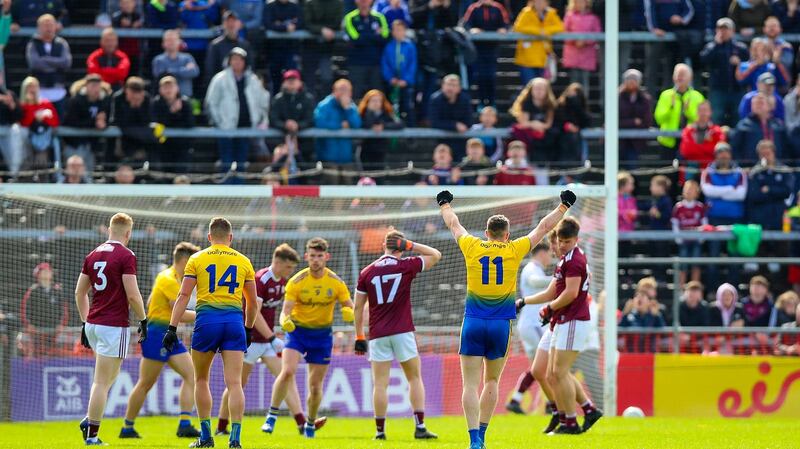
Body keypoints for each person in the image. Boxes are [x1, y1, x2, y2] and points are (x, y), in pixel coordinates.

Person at [437, 187, 576, 446]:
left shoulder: (472, 246)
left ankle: (473, 440)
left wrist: (444, 204)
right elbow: (544, 227)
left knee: (469, 384)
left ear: (487, 234)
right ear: (507, 234)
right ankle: (483, 435)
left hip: (473, 321)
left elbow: (454, 224)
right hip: (501, 325)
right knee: (491, 380)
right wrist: (564, 206)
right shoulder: (514, 249)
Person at [161, 217, 259, 448]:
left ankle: (206, 437)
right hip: (234, 322)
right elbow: (252, 302)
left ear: (209, 237)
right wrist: (248, 328)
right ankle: (235, 439)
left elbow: (183, 297)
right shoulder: (244, 261)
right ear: (231, 237)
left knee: (201, 379)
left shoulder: (197, 258)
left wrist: (172, 327)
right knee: (234, 383)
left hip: (206, 323)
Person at [216, 245, 326, 436]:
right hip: (249, 340)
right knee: (237, 384)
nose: (291, 271)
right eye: (289, 267)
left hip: (266, 343)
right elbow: (254, 313)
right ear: (278, 262)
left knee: (286, 376)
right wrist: (272, 337)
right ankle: (221, 427)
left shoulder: (283, 282)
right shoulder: (260, 280)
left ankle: (301, 424)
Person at [515, 216, 602, 434]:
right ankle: (579, 412)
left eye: (563, 241)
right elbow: (551, 291)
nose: (558, 246)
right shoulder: (565, 260)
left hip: (571, 320)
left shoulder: (574, 261)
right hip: (560, 320)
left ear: (575, 239)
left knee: (558, 373)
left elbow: (570, 293)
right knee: (551, 372)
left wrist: (550, 308)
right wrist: (525, 301)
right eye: (558, 241)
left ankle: (569, 420)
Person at [353, 229, 442, 440]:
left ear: (383, 245)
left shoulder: (367, 272)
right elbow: (436, 255)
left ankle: (380, 432)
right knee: (414, 378)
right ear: (401, 246)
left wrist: (359, 336)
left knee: (380, 383)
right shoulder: (406, 265)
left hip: (377, 334)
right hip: (402, 331)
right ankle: (420, 427)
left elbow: (357, 307)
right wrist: (411, 245)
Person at [262, 238, 354, 438]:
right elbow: (284, 311)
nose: (316, 260)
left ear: (326, 257)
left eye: (320, 256)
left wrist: (349, 311)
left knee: (315, 386)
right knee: (287, 372)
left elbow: (349, 305)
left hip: (322, 336)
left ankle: (310, 425)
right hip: (298, 333)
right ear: (306, 257)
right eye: (312, 256)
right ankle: (272, 416)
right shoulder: (297, 281)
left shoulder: (336, 282)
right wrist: (285, 320)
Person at [75, 213, 147, 445]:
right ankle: (92, 434)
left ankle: (89, 421)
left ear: (109, 230)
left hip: (95, 323)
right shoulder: (126, 255)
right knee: (102, 382)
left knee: (110, 376)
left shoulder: (92, 254)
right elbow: (133, 295)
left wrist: (85, 322)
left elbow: (79, 292)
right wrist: (143, 320)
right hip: (113, 325)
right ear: (128, 233)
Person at [119, 242, 202, 439]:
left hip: (167, 334)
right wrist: (207, 314)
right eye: (193, 263)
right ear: (183, 261)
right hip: (158, 334)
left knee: (192, 375)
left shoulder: (170, 277)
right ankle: (127, 427)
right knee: (146, 383)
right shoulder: (168, 279)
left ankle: (184, 424)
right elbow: (179, 314)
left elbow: (150, 302)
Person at [204, 47, 270, 183]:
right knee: (226, 162)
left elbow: (262, 101)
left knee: (241, 163)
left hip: (245, 128)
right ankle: (226, 194)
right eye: (234, 59)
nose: (237, 62)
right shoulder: (220, 79)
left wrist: (259, 120)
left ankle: (240, 194)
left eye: (240, 59)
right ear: (229, 61)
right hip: (225, 129)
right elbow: (211, 103)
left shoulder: (253, 80)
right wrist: (219, 123)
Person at [505, 241, 551, 414]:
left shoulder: (534, 268)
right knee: (549, 363)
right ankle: (551, 405)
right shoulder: (532, 268)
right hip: (533, 324)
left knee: (538, 368)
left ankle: (516, 400)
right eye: (550, 254)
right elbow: (535, 281)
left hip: (529, 324)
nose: (550, 257)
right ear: (543, 252)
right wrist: (558, 279)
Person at [700, 142, 747, 288]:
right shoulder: (707, 172)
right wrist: (729, 190)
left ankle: (734, 290)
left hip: (735, 218)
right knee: (714, 255)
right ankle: (713, 289)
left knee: (734, 257)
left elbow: (741, 194)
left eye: (726, 153)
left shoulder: (740, 172)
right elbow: (708, 191)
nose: (724, 156)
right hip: (714, 218)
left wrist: (718, 192)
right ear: (716, 156)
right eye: (720, 153)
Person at [699, 17, 749, 126]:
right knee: (716, 119)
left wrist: (739, 63)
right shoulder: (711, 47)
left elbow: (749, 67)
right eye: (720, 29)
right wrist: (716, 45)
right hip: (718, 90)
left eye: (726, 29)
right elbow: (703, 61)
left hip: (737, 90)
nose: (723, 32)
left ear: (732, 31)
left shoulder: (741, 48)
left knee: (738, 120)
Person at [461, 0, 510, 107]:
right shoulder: (473, 8)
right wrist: (472, 29)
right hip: (478, 49)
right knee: (480, 76)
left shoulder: (498, 8)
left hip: (493, 49)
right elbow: (466, 24)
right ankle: (481, 102)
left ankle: (492, 102)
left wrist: (503, 29)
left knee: (491, 76)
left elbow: (506, 24)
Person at [313, 78, 362, 183]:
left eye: (347, 90)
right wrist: (339, 125)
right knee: (331, 186)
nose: (344, 93)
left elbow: (357, 124)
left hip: (346, 157)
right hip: (328, 156)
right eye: (341, 89)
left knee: (348, 187)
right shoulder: (324, 105)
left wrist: (347, 109)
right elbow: (319, 123)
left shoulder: (351, 107)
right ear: (334, 90)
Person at [62, 74, 110, 176]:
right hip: (74, 144)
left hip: (91, 145)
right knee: (75, 173)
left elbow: (109, 120)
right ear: (86, 86)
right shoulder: (76, 101)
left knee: (88, 174)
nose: (96, 89)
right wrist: (94, 123)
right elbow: (70, 122)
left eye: (98, 86)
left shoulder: (105, 101)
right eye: (93, 86)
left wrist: (103, 123)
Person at [653, 63, 705, 155]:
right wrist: (671, 108)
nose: (679, 77)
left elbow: (702, 120)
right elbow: (658, 119)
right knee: (666, 169)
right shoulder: (666, 95)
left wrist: (688, 111)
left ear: (690, 78)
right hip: (667, 141)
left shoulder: (697, 97)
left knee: (685, 169)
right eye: (677, 74)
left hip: (690, 141)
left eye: (683, 75)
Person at [25, 14, 71, 114]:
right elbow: (35, 64)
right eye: (45, 25)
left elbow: (66, 63)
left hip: (58, 90)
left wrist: (45, 59)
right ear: (39, 27)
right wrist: (55, 63)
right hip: (39, 91)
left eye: (50, 25)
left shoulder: (62, 43)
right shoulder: (33, 44)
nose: (48, 28)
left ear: (55, 26)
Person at [343, 0, 389, 99]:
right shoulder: (349, 18)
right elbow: (355, 39)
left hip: (376, 65)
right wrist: (374, 35)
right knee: (355, 96)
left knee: (377, 96)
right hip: (356, 65)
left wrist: (364, 35)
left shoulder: (379, 17)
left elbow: (384, 37)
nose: (364, 2)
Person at [20, 262, 68, 357]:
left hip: (54, 331)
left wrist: (61, 325)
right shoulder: (33, 291)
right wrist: (28, 325)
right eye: (43, 271)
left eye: (48, 271)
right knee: (36, 353)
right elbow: (25, 310)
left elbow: (64, 310)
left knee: (54, 353)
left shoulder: (57, 291)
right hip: (37, 331)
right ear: (38, 275)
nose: (46, 273)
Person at [746, 140, 795, 231]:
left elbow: (787, 192)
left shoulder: (784, 171)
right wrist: (776, 193)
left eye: (768, 153)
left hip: (779, 216)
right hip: (760, 217)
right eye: (762, 154)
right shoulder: (754, 173)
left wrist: (769, 189)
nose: (765, 157)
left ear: (773, 153)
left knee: (781, 244)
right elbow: (754, 195)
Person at [512, 0, 564, 84]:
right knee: (529, 86)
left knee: (542, 88)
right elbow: (518, 28)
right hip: (527, 58)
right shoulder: (526, 12)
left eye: (542, 1)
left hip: (543, 58)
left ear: (547, 3)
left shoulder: (551, 13)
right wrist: (538, 31)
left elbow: (560, 27)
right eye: (537, 1)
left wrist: (546, 31)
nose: (539, 3)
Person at [509, 77, 558, 163]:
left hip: (543, 134)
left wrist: (540, 126)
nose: (539, 91)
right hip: (528, 134)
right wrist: (535, 124)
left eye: (542, 89)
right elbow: (523, 123)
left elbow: (548, 124)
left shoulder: (550, 104)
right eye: (536, 89)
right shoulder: (526, 103)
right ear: (531, 90)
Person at [151, 76, 195, 170]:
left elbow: (190, 124)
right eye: (165, 87)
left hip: (182, 147)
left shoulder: (185, 103)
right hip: (162, 146)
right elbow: (156, 123)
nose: (168, 90)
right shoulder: (156, 103)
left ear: (177, 88)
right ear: (160, 90)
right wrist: (172, 112)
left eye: (171, 87)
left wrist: (178, 113)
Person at [730, 93, 789, 162]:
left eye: (761, 103)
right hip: (751, 167)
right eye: (754, 103)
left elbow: (787, 148)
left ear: (769, 106)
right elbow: (735, 149)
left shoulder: (778, 125)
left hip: (778, 167)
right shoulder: (743, 125)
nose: (757, 105)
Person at [303, 0, 344, 97]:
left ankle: (325, 106)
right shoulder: (310, 3)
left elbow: (337, 23)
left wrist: (326, 30)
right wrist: (321, 30)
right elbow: (306, 23)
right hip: (310, 47)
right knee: (309, 80)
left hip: (327, 48)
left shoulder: (338, 3)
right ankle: (310, 107)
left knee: (327, 78)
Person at [110, 77, 155, 164]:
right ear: (127, 90)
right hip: (123, 137)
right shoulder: (118, 97)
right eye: (133, 92)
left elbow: (148, 120)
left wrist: (138, 106)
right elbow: (116, 120)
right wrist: (131, 106)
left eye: (138, 92)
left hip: (140, 138)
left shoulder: (146, 98)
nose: (135, 95)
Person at [19, 76, 60, 170]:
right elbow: (24, 124)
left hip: (43, 139)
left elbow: (55, 123)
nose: (32, 90)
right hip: (26, 142)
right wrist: (33, 113)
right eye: (29, 87)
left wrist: (43, 118)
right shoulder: (22, 106)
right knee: (27, 160)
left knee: (41, 159)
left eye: (34, 86)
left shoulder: (45, 103)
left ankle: (43, 179)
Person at [671, 179, 707, 286]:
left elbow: (704, 223)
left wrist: (702, 237)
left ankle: (695, 288)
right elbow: (674, 223)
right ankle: (681, 291)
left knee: (696, 265)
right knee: (682, 265)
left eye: (691, 189)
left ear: (697, 192)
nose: (689, 192)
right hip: (684, 241)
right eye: (686, 189)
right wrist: (678, 237)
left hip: (696, 241)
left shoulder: (700, 207)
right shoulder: (678, 207)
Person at [380, 19, 417, 124]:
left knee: (407, 106)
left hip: (406, 84)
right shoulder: (389, 46)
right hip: (392, 83)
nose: (398, 32)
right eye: (395, 30)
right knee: (390, 106)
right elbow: (385, 64)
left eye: (400, 30)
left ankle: (411, 132)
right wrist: (390, 78)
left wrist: (406, 80)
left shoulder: (410, 46)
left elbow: (412, 65)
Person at [560, 0, 601, 92]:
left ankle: (584, 103)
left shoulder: (593, 18)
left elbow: (597, 34)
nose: (579, 4)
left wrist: (585, 41)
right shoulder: (569, 16)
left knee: (585, 81)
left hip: (587, 55)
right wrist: (575, 40)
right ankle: (572, 102)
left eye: (582, 2)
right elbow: (564, 32)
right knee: (573, 81)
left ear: (587, 3)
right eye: (577, 2)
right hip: (572, 54)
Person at [428, 74, 472, 159]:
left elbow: (468, 122)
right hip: (441, 140)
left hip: (461, 141)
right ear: (442, 86)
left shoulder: (465, 99)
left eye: (454, 85)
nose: (450, 88)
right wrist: (454, 125)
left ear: (459, 88)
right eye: (448, 84)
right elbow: (434, 122)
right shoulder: (435, 99)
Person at [263, 0, 303, 92]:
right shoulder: (270, 6)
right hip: (273, 50)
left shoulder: (295, 6)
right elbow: (268, 24)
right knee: (275, 81)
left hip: (291, 49)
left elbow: (301, 22)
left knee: (292, 78)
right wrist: (285, 27)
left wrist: (278, 24)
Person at [358, 89, 403, 169]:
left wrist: (383, 126)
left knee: (379, 176)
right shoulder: (362, 113)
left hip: (381, 150)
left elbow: (400, 124)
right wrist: (370, 112)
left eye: (379, 100)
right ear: (367, 102)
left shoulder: (386, 114)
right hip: (366, 150)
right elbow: (365, 124)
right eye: (373, 101)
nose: (376, 103)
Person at [204, 11, 253, 83]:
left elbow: (250, 68)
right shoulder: (215, 45)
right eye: (228, 21)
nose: (231, 24)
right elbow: (210, 71)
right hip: (222, 86)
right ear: (223, 24)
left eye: (233, 21)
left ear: (239, 24)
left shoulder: (245, 45)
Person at [618, 69, 653, 166]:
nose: (632, 82)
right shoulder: (617, 98)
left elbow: (647, 122)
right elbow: (613, 122)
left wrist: (626, 123)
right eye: (629, 79)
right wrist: (633, 122)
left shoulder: (645, 99)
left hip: (635, 143)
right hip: (617, 142)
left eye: (634, 79)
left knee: (632, 168)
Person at [152, 29, 200, 98]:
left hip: (186, 98)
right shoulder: (158, 60)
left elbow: (195, 72)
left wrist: (170, 71)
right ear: (163, 43)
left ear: (179, 42)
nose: (171, 42)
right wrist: (184, 70)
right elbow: (161, 76)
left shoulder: (188, 57)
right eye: (168, 40)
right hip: (165, 101)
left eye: (174, 40)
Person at [679, 101, 726, 170]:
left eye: (705, 110)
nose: (703, 113)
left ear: (710, 112)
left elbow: (721, 151)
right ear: (697, 112)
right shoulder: (688, 130)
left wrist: (696, 145)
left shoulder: (717, 130)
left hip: (712, 169)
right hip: (691, 168)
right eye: (700, 110)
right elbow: (686, 151)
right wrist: (708, 145)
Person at [555, 82, 590, 164]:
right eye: (571, 92)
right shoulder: (559, 105)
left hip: (578, 140)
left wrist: (578, 127)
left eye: (576, 94)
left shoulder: (582, 107)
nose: (573, 96)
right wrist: (566, 126)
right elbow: (556, 121)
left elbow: (586, 121)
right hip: (561, 140)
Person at [112, 0, 143, 75]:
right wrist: (120, 25)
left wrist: (138, 25)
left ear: (134, 4)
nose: (127, 5)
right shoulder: (116, 17)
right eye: (124, 3)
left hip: (135, 52)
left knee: (134, 74)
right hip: (120, 52)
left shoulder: (138, 17)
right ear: (120, 4)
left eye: (129, 3)